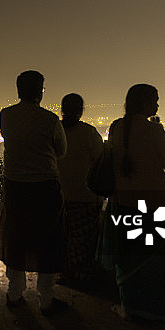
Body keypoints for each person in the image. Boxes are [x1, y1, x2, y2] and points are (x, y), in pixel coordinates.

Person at [104, 83, 165, 321]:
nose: (157, 105)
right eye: (155, 100)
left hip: (123, 203)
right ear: (144, 103)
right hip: (154, 204)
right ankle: (160, 309)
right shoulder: (154, 130)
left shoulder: (116, 127)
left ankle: (130, 307)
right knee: (157, 259)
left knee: (129, 259)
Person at [0, 70, 68, 315]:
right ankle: (46, 299)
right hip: (45, 187)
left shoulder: (6, 115)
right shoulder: (50, 120)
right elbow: (61, 151)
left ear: (18, 90)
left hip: (15, 185)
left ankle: (14, 293)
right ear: (40, 92)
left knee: (16, 238)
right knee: (48, 240)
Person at [57, 93, 106, 288]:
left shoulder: (55, 130)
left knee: (62, 237)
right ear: (81, 111)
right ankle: (79, 276)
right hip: (85, 197)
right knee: (83, 240)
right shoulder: (89, 133)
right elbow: (101, 162)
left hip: (59, 195)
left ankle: (62, 272)